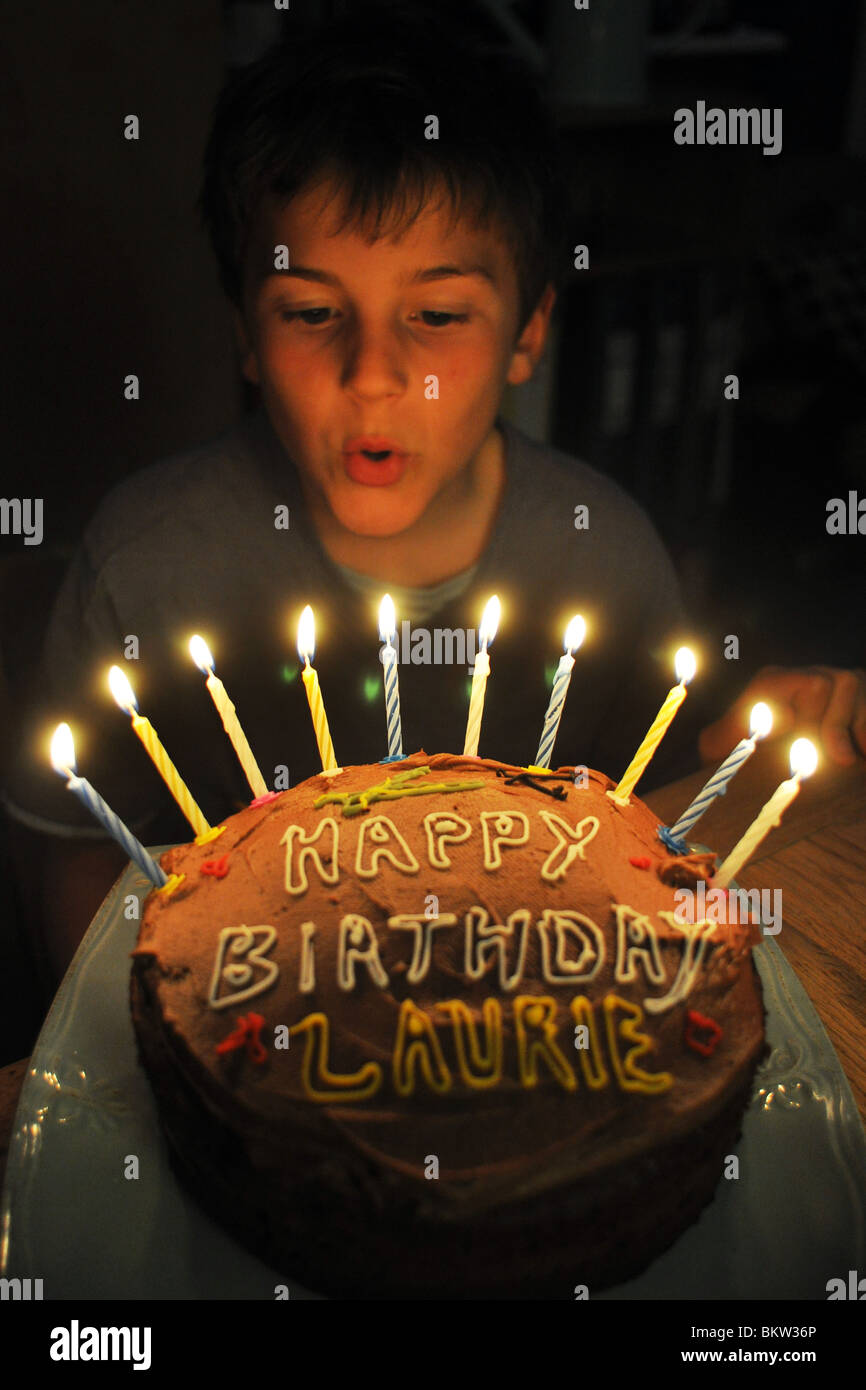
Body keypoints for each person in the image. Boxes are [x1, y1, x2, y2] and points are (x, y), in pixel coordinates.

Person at [5, 4, 864, 980]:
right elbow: (72, 845)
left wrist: (728, 756)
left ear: (527, 333)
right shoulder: (146, 562)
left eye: (439, 313)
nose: (374, 372)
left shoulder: (601, 552)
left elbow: (646, 833)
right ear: (244, 329)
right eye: (313, 310)